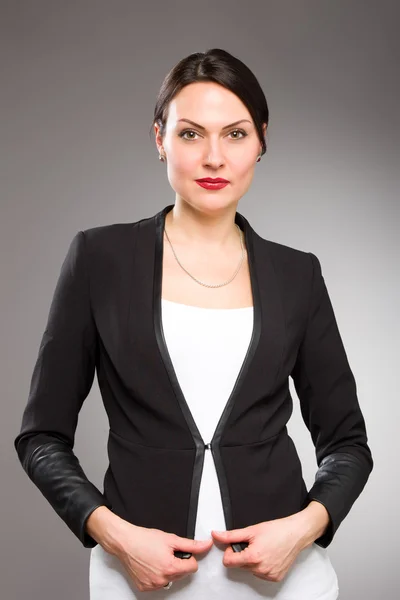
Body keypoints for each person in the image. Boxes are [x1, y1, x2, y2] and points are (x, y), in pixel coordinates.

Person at [14, 48, 373, 599]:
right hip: (135, 578)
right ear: (159, 138)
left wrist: (301, 530)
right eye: (189, 134)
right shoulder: (99, 259)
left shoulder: (297, 274)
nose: (213, 157)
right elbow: (41, 437)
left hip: (284, 580)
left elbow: (347, 443)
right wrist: (115, 536)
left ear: (261, 142)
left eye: (235, 134)